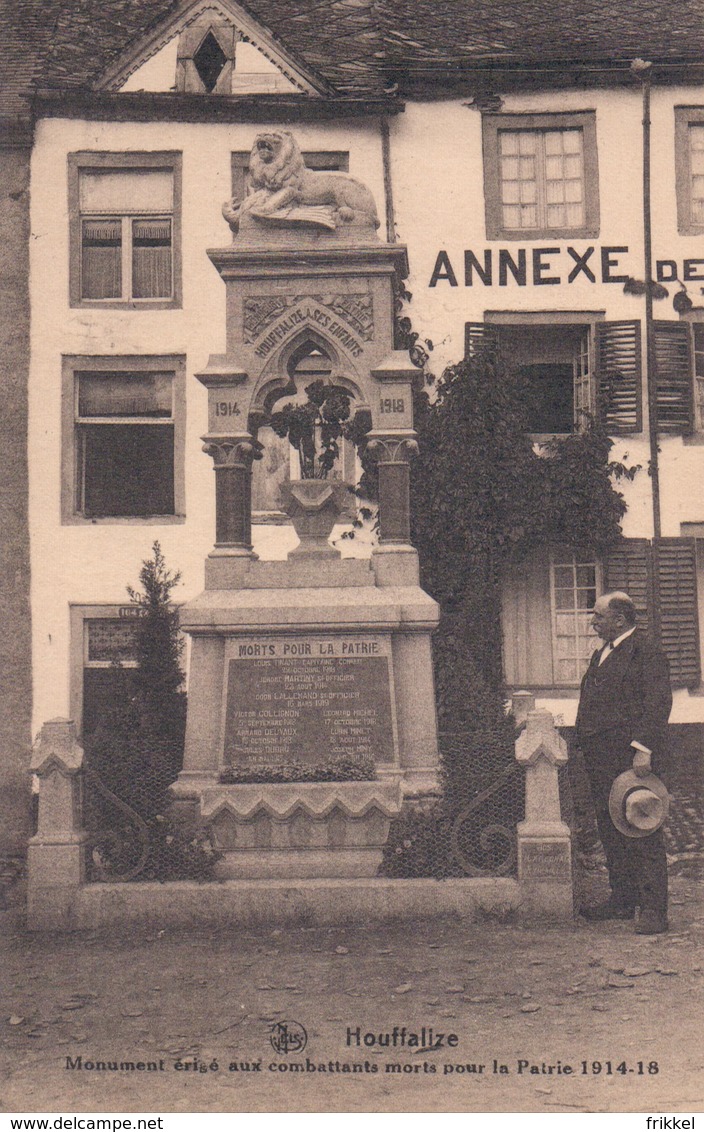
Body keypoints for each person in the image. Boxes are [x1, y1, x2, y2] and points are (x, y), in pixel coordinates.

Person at [575, 590, 672, 934]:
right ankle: (622, 899)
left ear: (619, 619)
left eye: (598, 616)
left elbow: (658, 703)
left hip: (630, 757)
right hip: (600, 757)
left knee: (641, 824)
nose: (593, 622)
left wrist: (644, 747)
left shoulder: (647, 653)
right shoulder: (601, 653)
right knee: (610, 827)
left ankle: (653, 910)